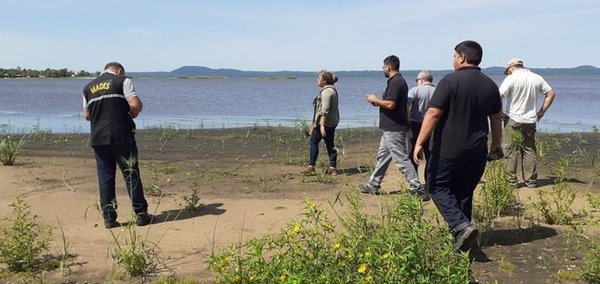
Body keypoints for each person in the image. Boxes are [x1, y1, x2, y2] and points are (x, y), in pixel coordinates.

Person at [412, 40, 503, 251]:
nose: (453, 59)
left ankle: (461, 227)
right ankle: (464, 240)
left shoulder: (450, 81)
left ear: (461, 57)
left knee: (435, 186)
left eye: (454, 56)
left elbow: (433, 113)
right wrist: (496, 145)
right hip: (477, 151)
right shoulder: (490, 84)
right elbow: (496, 119)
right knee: (463, 192)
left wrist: (419, 142)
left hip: (448, 150)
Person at [82, 62, 151, 229]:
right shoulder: (122, 81)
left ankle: (109, 218)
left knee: (105, 179)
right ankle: (141, 214)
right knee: (131, 174)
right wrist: (134, 111)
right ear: (119, 71)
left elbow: (86, 115)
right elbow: (134, 104)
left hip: (99, 138)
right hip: (121, 136)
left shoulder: (88, 87)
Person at [359, 55, 427, 198]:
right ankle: (373, 184)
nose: (383, 69)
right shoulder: (396, 82)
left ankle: (417, 187)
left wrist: (375, 99)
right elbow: (391, 103)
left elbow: (391, 104)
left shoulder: (396, 82)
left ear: (388, 67)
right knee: (382, 157)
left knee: (401, 158)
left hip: (394, 127)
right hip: (390, 127)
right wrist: (377, 102)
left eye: (383, 67)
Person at [500, 58, 556, 188]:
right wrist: (542, 111)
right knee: (529, 150)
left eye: (508, 71)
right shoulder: (536, 78)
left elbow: (498, 95)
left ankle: (511, 182)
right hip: (530, 120)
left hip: (513, 118)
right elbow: (551, 94)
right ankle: (530, 181)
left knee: (510, 150)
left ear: (511, 68)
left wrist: (500, 112)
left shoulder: (511, 78)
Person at [301, 70, 340, 175]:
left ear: (323, 80)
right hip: (332, 121)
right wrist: (314, 125)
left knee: (314, 142)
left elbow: (325, 110)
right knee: (329, 144)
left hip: (326, 122)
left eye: (319, 78)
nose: (317, 80)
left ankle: (311, 167)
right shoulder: (331, 89)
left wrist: (321, 125)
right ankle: (333, 168)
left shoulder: (327, 92)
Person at [407, 69, 435, 175]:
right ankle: (429, 181)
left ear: (422, 79)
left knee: (413, 152)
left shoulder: (415, 90)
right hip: (432, 126)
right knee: (430, 154)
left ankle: (415, 181)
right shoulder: (437, 91)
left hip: (416, 125)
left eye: (417, 80)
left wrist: (408, 117)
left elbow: (407, 103)